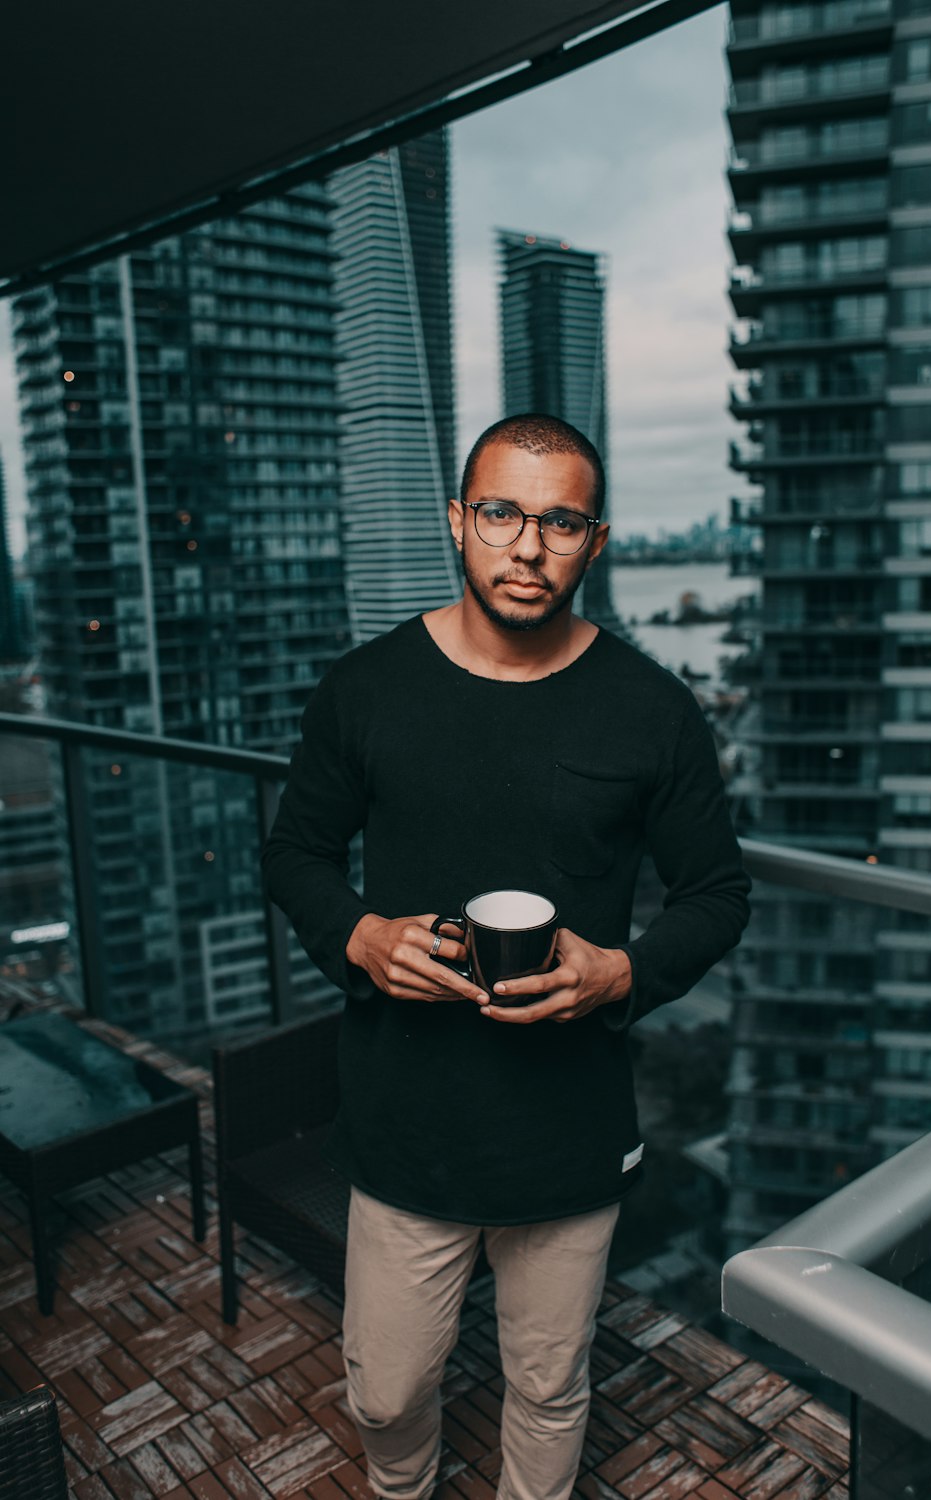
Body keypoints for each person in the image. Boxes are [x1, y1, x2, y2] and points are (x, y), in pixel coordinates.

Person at [262, 413, 751, 1500]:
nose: (528, 547)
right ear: (458, 520)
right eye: (501, 513)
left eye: (560, 521)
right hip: (404, 1123)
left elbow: (718, 894)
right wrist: (357, 933)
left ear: (596, 539)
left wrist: (620, 972)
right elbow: (295, 851)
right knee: (385, 1395)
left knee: (547, 1386)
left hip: (566, 1133)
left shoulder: (654, 713)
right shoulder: (368, 689)